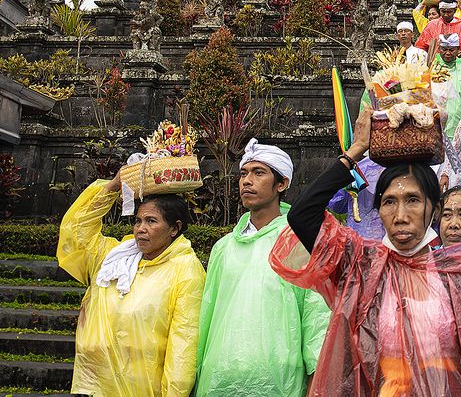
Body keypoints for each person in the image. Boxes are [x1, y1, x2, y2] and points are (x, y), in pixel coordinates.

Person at [272, 107, 461, 396]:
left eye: (412, 200)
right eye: (389, 202)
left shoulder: (455, 273)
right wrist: (355, 151)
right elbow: (302, 215)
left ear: (434, 209)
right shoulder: (361, 266)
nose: (400, 215)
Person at [196, 140, 330, 396]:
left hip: (278, 380)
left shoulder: (298, 242)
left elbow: (315, 319)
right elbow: (206, 316)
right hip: (219, 379)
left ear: (282, 184)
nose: (247, 181)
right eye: (244, 173)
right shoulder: (224, 247)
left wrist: (316, 381)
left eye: (259, 173)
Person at [58, 173, 205, 396]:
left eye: (151, 221)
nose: (140, 229)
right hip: (90, 385)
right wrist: (112, 187)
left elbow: (184, 345)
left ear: (174, 228)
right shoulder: (114, 258)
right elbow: (76, 232)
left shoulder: (185, 269)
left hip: (140, 388)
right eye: (138, 221)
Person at [432, 33, 461, 140]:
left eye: (451, 50)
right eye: (444, 49)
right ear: (439, 49)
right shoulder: (431, 69)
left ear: (458, 50)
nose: (447, 53)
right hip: (436, 128)